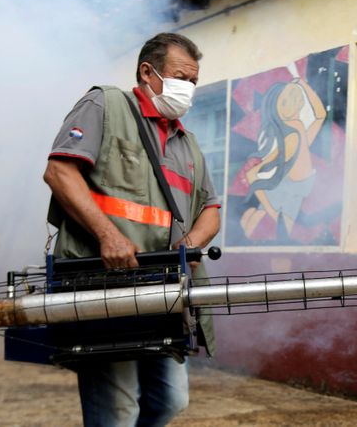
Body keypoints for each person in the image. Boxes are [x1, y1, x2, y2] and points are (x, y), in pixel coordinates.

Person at [43, 32, 221, 426]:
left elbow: (210, 208)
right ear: (148, 72)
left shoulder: (186, 143)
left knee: (171, 400)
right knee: (118, 409)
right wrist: (108, 235)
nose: (188, 89)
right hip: (103, 285)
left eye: (193, 82)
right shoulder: (105, 104)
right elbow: (60, 171)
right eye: (180, 77)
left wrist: (187, 248)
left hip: (163, 292)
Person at [240, 77, 327, 240]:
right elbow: (252, 175)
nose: (294, 102)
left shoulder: (299, 131)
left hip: (295, 189)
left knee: (272, 233)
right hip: (285, 191)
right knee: (265, 233)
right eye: (286, 101)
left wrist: (303, 85)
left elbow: (320, 115)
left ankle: (252, 218)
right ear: (276, 110)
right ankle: (252, 218)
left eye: (296, 97)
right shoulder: (291, 137)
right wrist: (271, 211)